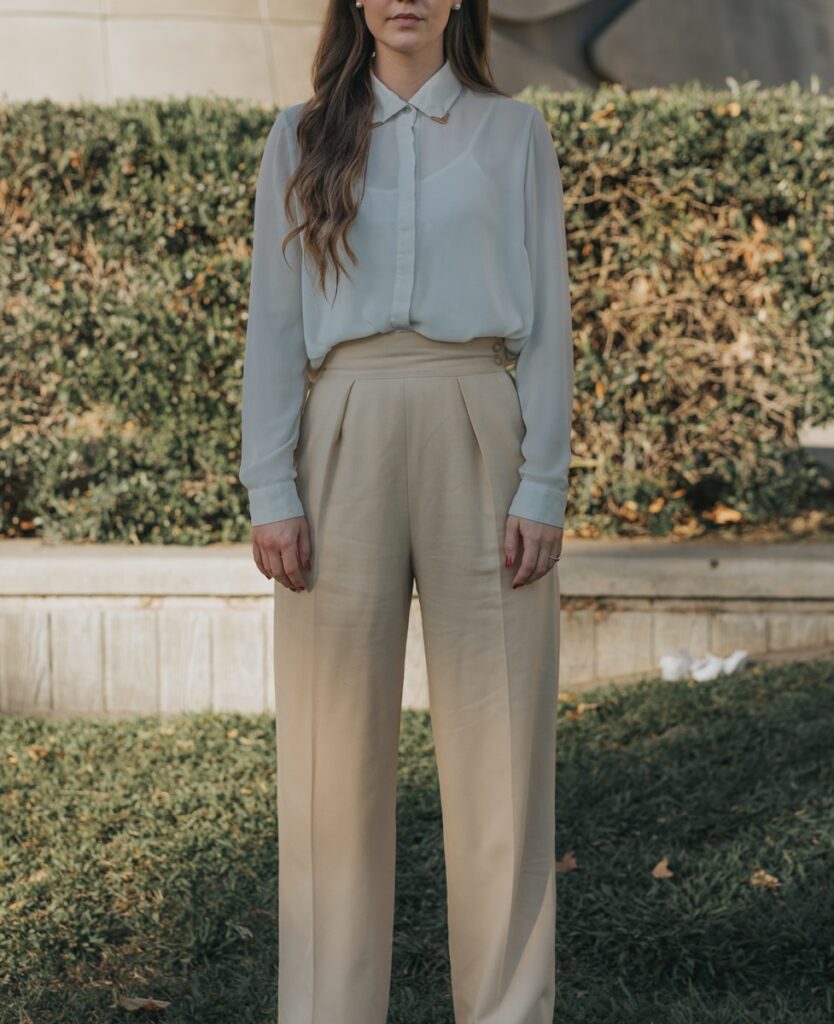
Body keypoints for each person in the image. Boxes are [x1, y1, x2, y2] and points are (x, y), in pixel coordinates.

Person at [237, 1, 574, 1021]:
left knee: (501, 751)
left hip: (481, 421)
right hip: (343, 429)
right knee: (330, 760)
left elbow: (550, 322)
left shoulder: (516, 133)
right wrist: (271, 488)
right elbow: (274, 323)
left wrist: (543, 482)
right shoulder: (300, 136)